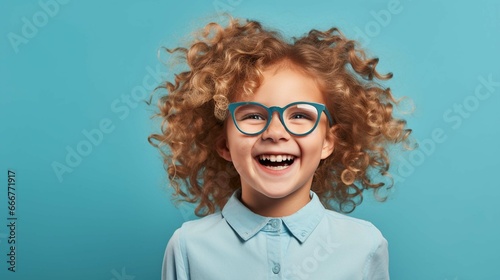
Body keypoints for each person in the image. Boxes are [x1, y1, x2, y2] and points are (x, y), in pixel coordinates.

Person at [148, 16, 411, 280]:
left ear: (328, 142)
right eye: (252, 115)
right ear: (224, 144)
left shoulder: (364, 246)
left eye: (299, 116)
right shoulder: (188, 248)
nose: (275, 133)